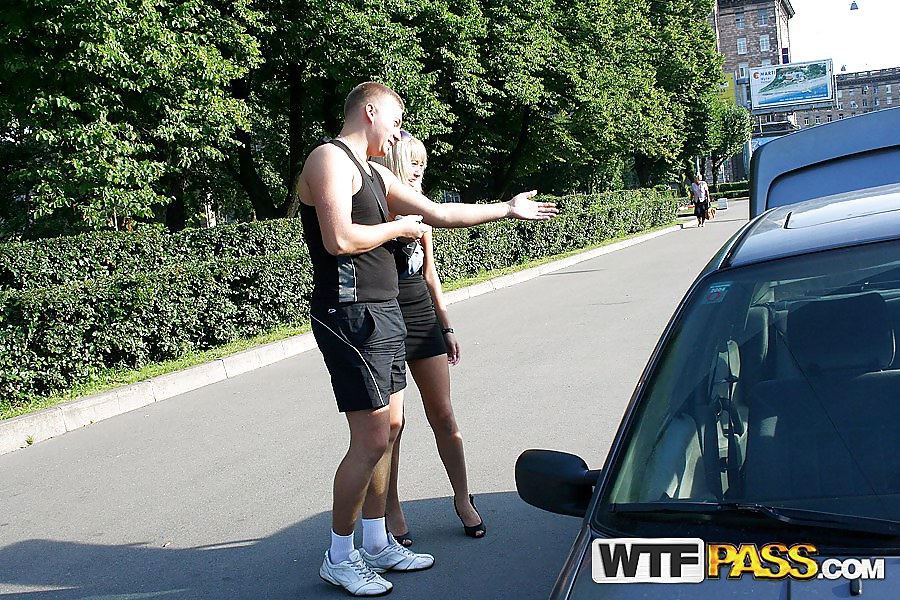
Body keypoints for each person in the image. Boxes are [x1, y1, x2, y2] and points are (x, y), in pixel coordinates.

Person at [299, 81, 557, 597]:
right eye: (395, 122)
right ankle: (339, 553)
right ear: (369, 111)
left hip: (385, 312)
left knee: (391, 428)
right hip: (351, 316)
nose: (397, 134)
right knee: (371, 438)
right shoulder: (330, 159)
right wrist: (398, 230)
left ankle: (376, 542)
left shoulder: (372, 172)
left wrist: (506, 209)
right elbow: (340, 239)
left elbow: (439, 213)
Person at [377, 136, 484, 548]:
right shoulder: (378, 208)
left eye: (424, 162)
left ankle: (462, 497)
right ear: (396, 161)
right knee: (392, 426)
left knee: (444, 416)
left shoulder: (423, 212)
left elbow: (431, 277)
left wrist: (447, 326)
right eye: (413, 161)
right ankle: (392, 508)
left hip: (422, 317)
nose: (420, 169)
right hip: (385, 317)